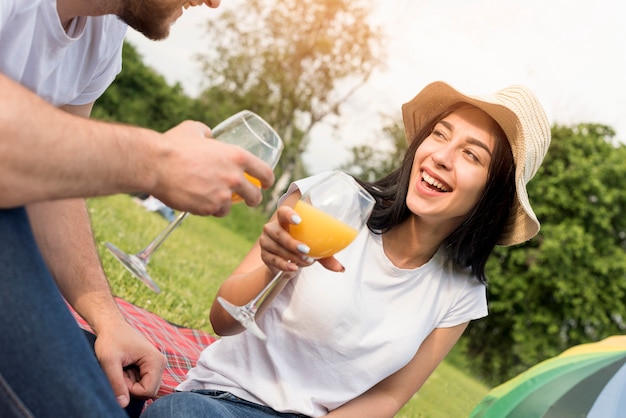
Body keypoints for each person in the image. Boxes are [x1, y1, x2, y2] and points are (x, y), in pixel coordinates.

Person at [141, 80, 552, 418]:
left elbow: (389, 397)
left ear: (493, 192)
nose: (441, 157)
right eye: (440, 134)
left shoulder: (460, 295)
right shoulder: (333, 199)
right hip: (223, 403)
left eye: (470, 154)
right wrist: (270, 267)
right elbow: (222, 321)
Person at [0, 1, 276, 417]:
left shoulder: (102, 34)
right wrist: (156, 162)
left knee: (114, 397)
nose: (216, 2)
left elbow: (53, 189)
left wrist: (107, 318)